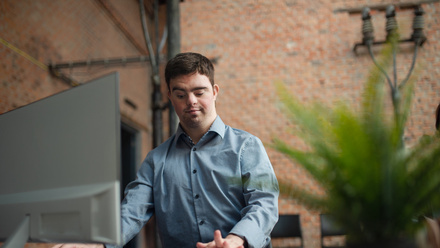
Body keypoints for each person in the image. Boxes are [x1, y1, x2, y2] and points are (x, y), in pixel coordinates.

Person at [53, 52, 279, 248]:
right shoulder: (155, 160)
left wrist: (236, 239)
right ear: (170, 97)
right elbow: (132, 210)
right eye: (181, 95)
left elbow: (264, 203)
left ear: (215, 91)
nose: (191, 101)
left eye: (199, 92)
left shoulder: (247, 146)